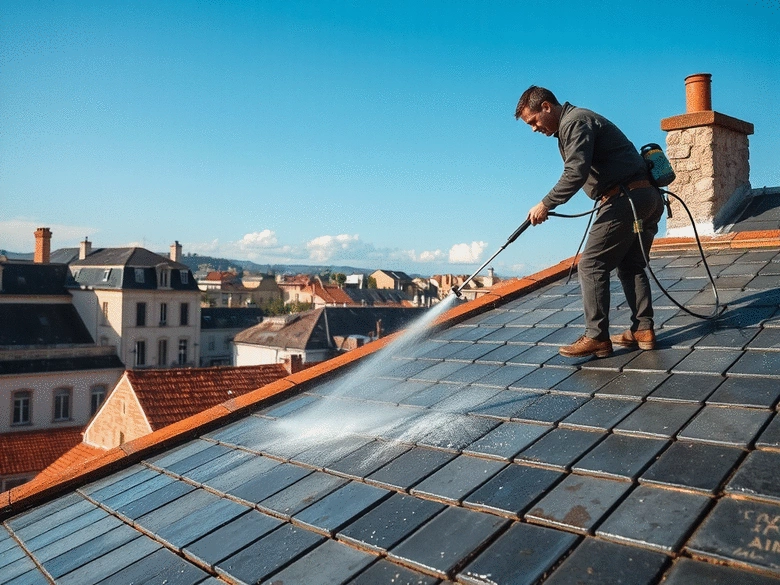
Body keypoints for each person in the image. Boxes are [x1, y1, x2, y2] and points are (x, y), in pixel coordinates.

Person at [516, 86, 664, 358]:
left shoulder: (575, 122)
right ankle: (643, 330)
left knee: (591, 264)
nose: (534, 129)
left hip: (625, 198)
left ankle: (597, 336)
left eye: (534, 121)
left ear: (546, 107)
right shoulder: (578, 120)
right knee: (631, 265)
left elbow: (575, 172)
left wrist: (545, 203)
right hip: (647, 197)